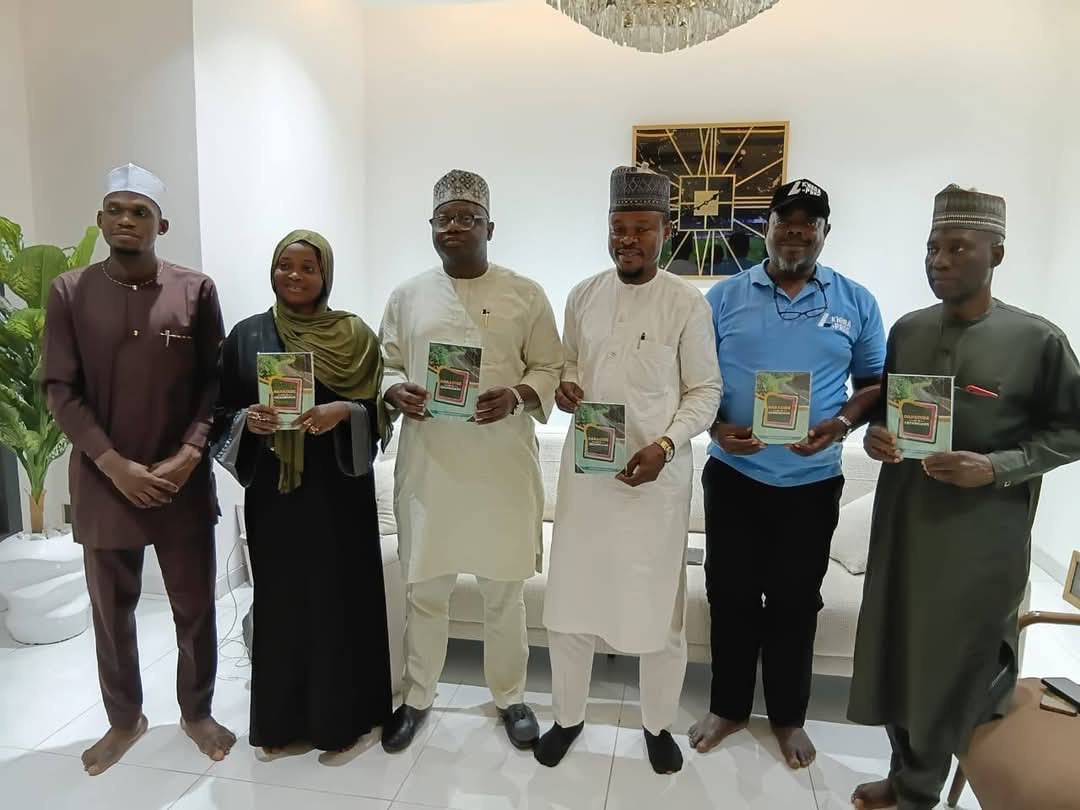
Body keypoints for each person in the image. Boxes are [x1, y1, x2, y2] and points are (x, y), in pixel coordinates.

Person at [848, 185, 1080, 810]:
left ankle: (925, 786)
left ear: (996, 253)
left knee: (956, 663)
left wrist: (998, 467)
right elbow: (892, 411)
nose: (940, 260)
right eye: (933, 247)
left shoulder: (1036, 340)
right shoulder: (909, 330)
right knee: (899, 650)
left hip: (980, 535)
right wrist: (877, 436)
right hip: (904, 523)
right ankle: (907, 777)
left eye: (957, 247)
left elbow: (1073, 430)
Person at [42, 164, 234, 775]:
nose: (127, 220)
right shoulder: (69, 292)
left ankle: (197, 712)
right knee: (111, 611)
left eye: (140, 212)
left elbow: (216, 383)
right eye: (116, 210)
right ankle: (125, 719)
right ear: (100, 220)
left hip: (181, 483)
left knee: (194, 608)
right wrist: (112, 463)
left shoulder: (195, 290)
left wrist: (190, 453)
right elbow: (59, 387)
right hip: (104, 484)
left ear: (161, 225)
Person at [690, 179, 886, 768]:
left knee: (797, 602)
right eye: (785, 221)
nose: (795, 233)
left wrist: (841, 424)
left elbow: (873, 383)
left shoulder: (855, 301)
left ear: (825, 232)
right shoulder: (723, 298)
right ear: (767, 228)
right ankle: (727, 707)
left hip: (812, 482)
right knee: (729, 595)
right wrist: (716, 427)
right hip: (734, 476)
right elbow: (695, 380)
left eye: (808, 224)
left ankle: (787, 716)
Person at [537, 166, 722, 774]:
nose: (628, 240)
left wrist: (666, 445)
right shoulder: (583, 295)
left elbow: (705, 391)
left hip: (654, 485)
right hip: (588, 480)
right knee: (570, 601)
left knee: (658, 610)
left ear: (665, 232)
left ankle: (657, 725)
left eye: (642, 228)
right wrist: (566, 385)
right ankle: (567, 717)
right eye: (619, 227)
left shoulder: (686, 303)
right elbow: (569, 361)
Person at [378, 170, 563, 752]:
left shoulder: (525, 294)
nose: (455, 227)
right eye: (445, 218)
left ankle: (511, 698)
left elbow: (550, 368)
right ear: (431, 227)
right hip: (430, 467)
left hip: (501, 469)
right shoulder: (407, 296)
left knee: (503, 595)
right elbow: (385, 363)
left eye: (468, 218)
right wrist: (393, 390)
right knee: (426, 593)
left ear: (490, 227)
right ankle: (417, 697)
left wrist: (517, 395)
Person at [211, 230, 392, 755]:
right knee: (282, 599)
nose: (294, 275)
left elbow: (380, 408)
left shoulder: (355, 336)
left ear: (325, 274)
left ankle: (343, 719)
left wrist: (345, 411)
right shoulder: (247, 335)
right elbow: (219, 411)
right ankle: (282, 723)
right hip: (277, 494)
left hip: (338, 492)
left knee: (340, 598)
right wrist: (248, 420)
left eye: (307, 267)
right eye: (284, 265)